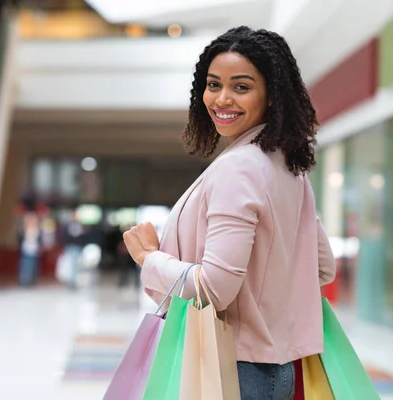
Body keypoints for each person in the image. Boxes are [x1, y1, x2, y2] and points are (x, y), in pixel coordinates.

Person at [122, 27, 335, 400]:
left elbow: (213, 289)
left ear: (271, 96)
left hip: (233, 370)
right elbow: (321, 268)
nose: (222, 99)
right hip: (275, 369)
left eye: (241, 86)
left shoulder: (240, 168)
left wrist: (149, 258)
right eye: (213, 84)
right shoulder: (287, 167)